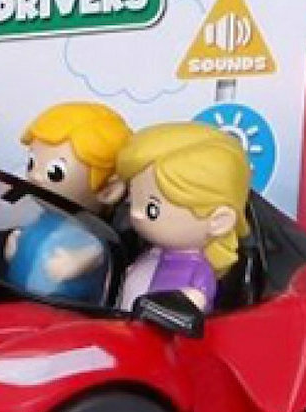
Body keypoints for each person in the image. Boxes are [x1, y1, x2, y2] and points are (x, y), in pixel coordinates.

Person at [104, 122, 250, 313]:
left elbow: (192, 302)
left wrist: (174, 307)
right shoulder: (150, 254)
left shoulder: (196, 271)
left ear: (218, 222)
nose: (135, 213)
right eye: (131, 200)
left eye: (152, 209)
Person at [5, 102, 131, 299]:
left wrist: (77, 262)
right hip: (11, 296)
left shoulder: (94, 236)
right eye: (31, 163)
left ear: (109, 190)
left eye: (55, 172)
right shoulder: (40, 217)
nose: (35, 175)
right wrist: (16, 248)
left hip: (62, 308)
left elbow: (98, 253)